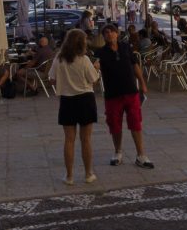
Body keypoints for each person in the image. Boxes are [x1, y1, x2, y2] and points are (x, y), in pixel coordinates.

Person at [94, 23, 153, 169]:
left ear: (117, 33)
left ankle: (141, 155)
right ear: (104, 36)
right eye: (106, 33)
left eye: (112, 32)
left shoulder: (126, 47)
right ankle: (118, 152)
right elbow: (96, 68)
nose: (109, 34)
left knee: (135, 122)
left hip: (131, 92)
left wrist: (142, 83)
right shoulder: (101, 52)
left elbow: (135, 65)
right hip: (113, 95)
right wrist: (95, 67)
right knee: (114, 124)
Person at [49, 28, 100, 186]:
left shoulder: (59, 59)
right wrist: (96, 67)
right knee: (86, 139)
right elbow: (94, 79)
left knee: (69, 140)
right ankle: (88, 173)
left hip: (67, 101)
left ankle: (69, 175)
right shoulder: (84, 60)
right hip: (85, 99)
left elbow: (51, 79)